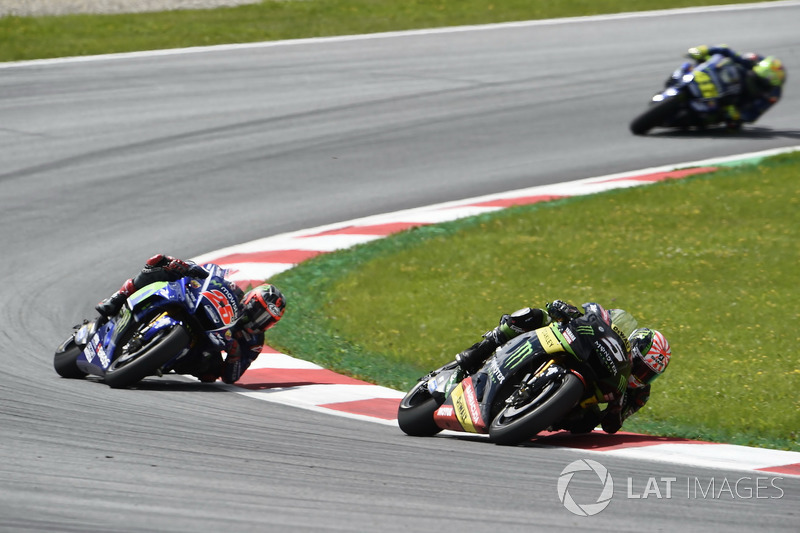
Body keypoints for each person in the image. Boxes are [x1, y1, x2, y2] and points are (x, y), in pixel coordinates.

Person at [454, 300, 671, 434]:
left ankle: (541, 417)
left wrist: (618, 404)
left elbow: (611, 426)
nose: (641, 377)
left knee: (587, 422)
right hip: (581, 353)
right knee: (535, 315)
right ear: (633, 348)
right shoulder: (619, 341)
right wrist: (569, 311)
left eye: (648, 375)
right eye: (642, 368)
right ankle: (481, 350)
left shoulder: (640, 394)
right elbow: (595, 321)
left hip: (589, 390)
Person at [95, 254, 286, 384]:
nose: (257, 321)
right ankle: (118, 297)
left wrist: (235, 353)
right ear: (250, 300)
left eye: (266, 321)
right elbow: (210, 275)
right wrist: (188, 268)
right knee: (161, 263)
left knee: (210, 373)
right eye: (258, 312)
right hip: (197, 310)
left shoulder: (254, 342)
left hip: (204, 345)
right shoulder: (234, 292)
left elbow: (232, 377)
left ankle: (158, 358)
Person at [685, 44, 786, 129]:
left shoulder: (772, 95)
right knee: (706, 60)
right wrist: (704, 50)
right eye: (755, 76)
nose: (755, 80)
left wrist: (739, 115)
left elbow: (754, 114)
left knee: (728, 122)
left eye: (760, 81)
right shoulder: (752, 61)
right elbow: (726, 51)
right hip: (727, 79)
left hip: (733, 103)